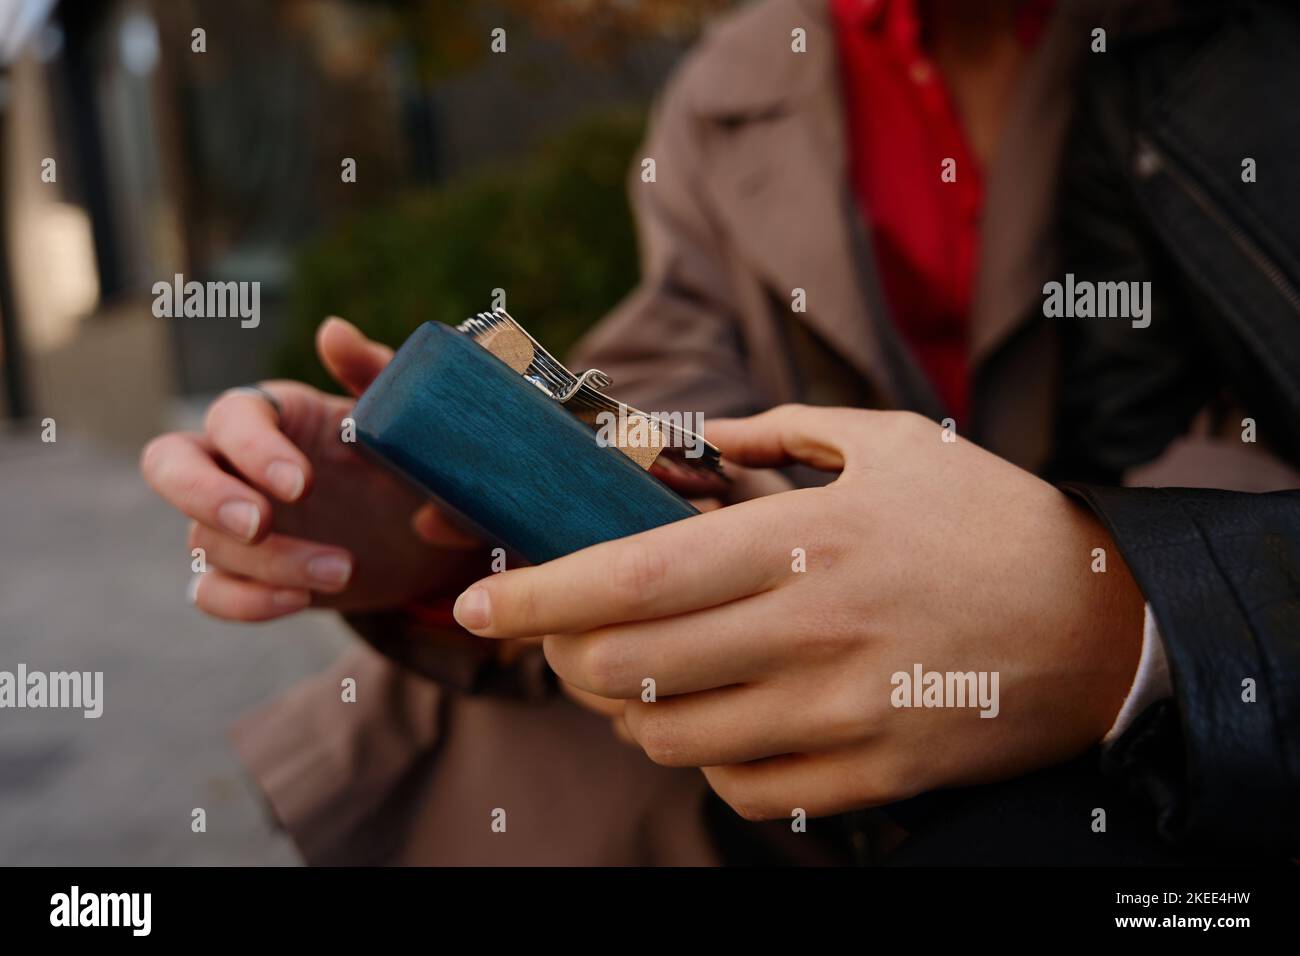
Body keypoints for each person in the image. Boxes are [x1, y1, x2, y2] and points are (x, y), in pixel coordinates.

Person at [139, 0, 1298, 864]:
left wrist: (1123, 591)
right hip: (745, 753)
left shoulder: (1205, 55)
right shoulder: (735, 78)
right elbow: (662, 390)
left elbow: (1229, 404)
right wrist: (458, 517)